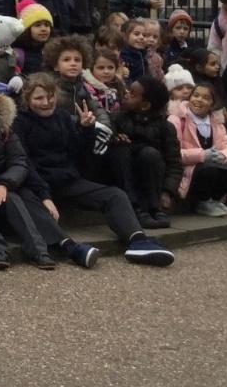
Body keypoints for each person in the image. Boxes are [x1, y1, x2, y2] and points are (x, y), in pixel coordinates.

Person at [13, 74, 175, 266]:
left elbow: (77, 154)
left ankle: (138, 241)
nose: (46, 102)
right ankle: (70, 248)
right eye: (39, 98)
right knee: (26, 199)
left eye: (50, 96)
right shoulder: (20, 123)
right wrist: (45, 196)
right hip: (37, 184)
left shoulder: (63, 116)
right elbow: (25, 162)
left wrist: (86, 130)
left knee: (115, 195)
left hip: (67, 180)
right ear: (27, 99)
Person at [0, 83, 101, 270]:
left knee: (16, 198)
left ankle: (43, 251)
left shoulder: (4, 131)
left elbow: (19, 161)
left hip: (3, 187)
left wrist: (4, 184)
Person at [109, 76, 184, 230]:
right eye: (128, 91)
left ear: (145, 106)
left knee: (149, 154)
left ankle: (155, 207)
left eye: (133, 94)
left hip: (151, 178)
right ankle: (134, 207)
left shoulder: (166, 127)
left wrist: (168, 191)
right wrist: (115, 139)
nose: (126, 94)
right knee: (120, 151)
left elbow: (175, 163)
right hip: (125, 178)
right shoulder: (117, 119)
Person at [169, 83, 227, 217]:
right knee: (209, 169)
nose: (199, 100)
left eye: (206, 98)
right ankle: (202, 202)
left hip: (211, 165)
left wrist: (223, 156)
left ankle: (214, 200)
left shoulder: (216, 121)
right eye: (195, 95)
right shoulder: (176, 119)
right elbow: (173, 153)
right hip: (188, 169)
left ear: (212, 104)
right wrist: (202, 155)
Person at [13, 0, 54, 76]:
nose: (43, 29)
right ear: (27, 29)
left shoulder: (55, 50)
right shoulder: (17, 54)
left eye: (47, 25)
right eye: (37, 25)